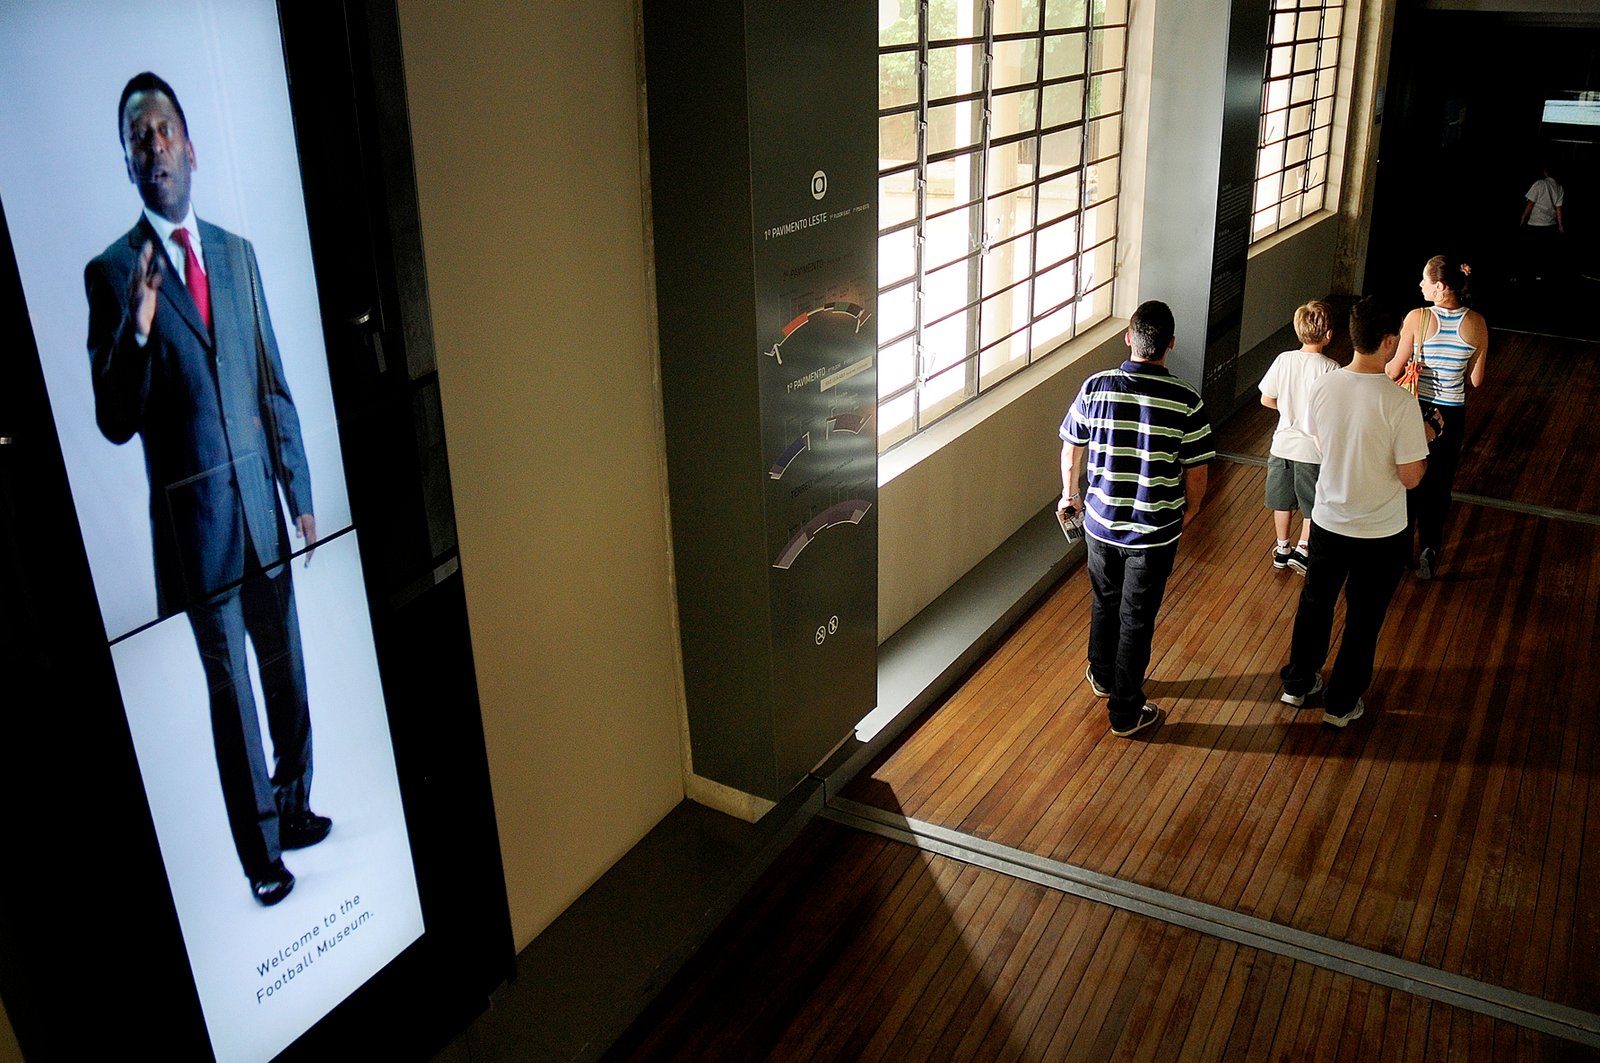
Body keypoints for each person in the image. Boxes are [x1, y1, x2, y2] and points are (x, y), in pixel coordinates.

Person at [86, 72, 330, 906]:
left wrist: (298, 489)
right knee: (235, 705)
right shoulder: (113, 274)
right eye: (138, 137)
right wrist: (143, 318)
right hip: (197, 540)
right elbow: (116, 418)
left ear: (192, 146)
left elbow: (270, 382)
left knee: (289, 674)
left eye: (163, 129)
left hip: (263, 513)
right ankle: (262, 856)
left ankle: (293, 805)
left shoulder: (236, 254)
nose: (153, 144)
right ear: (129, 164)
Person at [1059, 300, 1214, 738]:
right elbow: (1197, 470)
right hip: (1154, 533)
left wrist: (1071, 496)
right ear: (1170, 345)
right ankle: (1125, 711)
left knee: (1104, 599)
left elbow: (1071, 447)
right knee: (1137, 617)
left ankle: (1102, 674)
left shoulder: (1096, 387)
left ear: (1128, 337)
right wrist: (1192, 509)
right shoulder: (1187, 401)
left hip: (1100, 524)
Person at [1280, 297, 1428, 727]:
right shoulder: (1400, 403)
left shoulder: (1325, 385)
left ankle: (1298, 682)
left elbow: (1322, 442)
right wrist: (1428, 437)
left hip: (1328, 519)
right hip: (1380, 531)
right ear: (1387, 342)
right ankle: (1342, 704)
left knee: (1315, 604)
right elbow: (1411, 477)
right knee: (1363, 618)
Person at [1384, 254, 1487, 580]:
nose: (1420, 284)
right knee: (1439, 484)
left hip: (1416, 408)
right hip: (1452, 413)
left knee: (1409, 480)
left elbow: (1393, 370)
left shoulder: (1418, 318)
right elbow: (1476, 380)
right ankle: (1430, 548)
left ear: (1440, 286)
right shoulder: (1477, 323)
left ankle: (1400, 552)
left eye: (1424, 280)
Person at [1258, 300, 1338, 575]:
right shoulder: (1331, 368)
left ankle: (1282, 548)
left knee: (1282, 500)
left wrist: (1287, 409)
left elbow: (1267, 398)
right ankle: (1304, 548)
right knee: (1311, 503)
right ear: (1328, 334)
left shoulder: (1284, 360)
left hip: (1282, 444)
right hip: (1312, 450)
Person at [1518, 165, 1564, 281]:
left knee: (1532, 251)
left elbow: (1530, 203)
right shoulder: (1559, 187)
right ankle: (1541, 275)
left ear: (1546, 172)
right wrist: (1560, 225)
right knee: (1545, 252)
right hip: (1550, 224)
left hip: (1535, 223)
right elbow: (1559, 208)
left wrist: (1523, 217)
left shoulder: (1539, 183)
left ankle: (1531, 275)